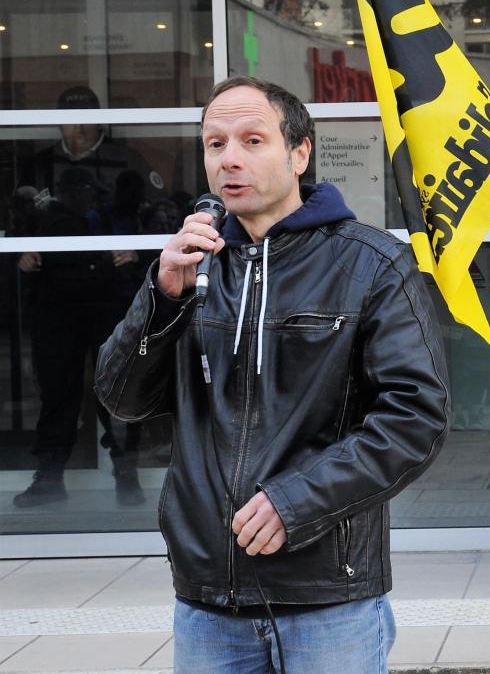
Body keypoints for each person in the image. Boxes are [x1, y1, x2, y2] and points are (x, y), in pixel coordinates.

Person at [94, 77, 450, 672]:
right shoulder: (193, 267)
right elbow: (121, 398)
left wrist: (296, 502)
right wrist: (159, 300)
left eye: (252, 140)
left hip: (326, 598)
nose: (229, 157)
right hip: (208, 599)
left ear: (299, 152)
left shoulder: (371, 264)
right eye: (215, 143)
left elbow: (417, 418)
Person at [12, 85, 153, 508]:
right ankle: (50, 475)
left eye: (86, 117)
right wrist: (22, 251)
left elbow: (161, 217)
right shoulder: (38, 167)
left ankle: (126, 472)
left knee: (119, 385)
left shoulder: (125, 162)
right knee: (57, 389)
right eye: (69, 117)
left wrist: (139, 248)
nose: (77, 126)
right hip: (55, 296)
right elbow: (15, 221)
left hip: (112, 295)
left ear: (100, 120)